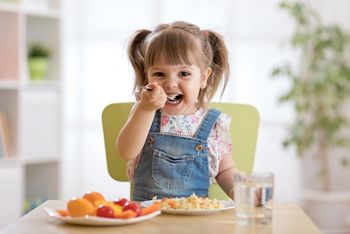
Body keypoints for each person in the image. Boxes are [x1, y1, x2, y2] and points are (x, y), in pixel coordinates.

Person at [116, 21, 236, 201]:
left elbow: (226, 170)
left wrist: (238, 191)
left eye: (184, 74)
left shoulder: (213, 124)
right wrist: (145, 108)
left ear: (203, 78)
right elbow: (126, 152)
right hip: (148, 218)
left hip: (195, 221)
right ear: (147, 74)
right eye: (159, 74)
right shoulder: (144, 112)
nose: (171, 83)